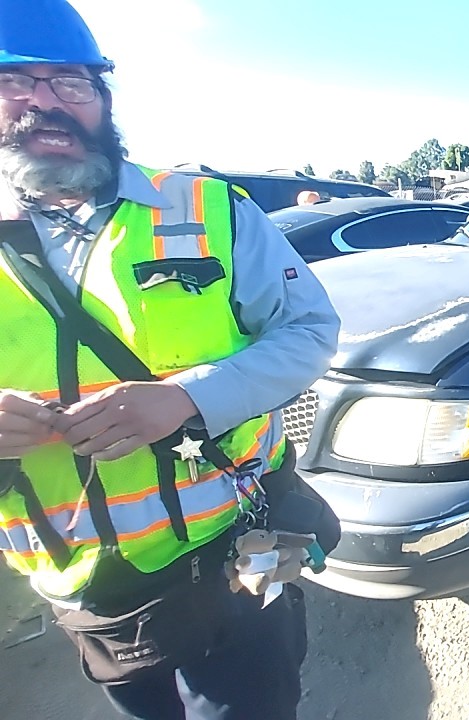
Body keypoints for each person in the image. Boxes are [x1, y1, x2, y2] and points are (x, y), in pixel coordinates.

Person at [0, 1, 340, 718]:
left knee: (259, 704)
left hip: (245, 543)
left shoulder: (206, 207)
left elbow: (309, 329)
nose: (41, 105)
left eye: (67, 83)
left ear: (104, 99)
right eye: (12, 84)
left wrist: (187, 399)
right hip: (91, 585)